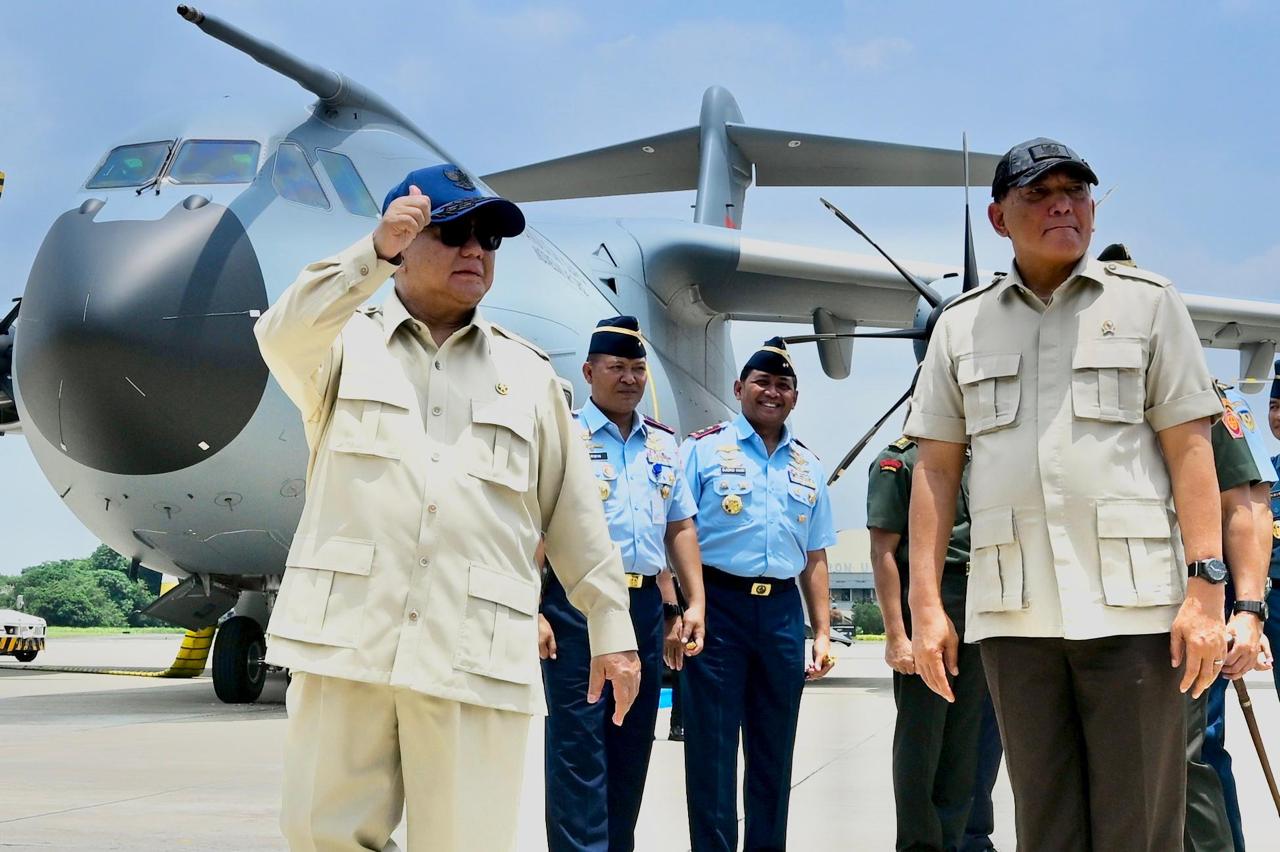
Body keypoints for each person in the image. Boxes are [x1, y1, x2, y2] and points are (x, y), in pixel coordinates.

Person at [254, 164, 640, 852]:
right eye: (455, 230)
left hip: (473, 650)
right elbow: (279, 334)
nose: (476, 249)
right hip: (350, 642)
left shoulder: (528, 377)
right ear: (403, 238)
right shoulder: (343, 344)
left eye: (489, 237)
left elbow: (575, 515)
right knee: (322, 836)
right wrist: (370, 254)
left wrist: (612, 625)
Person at [904, 138, 1229, 850]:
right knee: (1044, 828)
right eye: (1038, 193)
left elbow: (1191, 448)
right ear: (998, 218)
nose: (1062, 205)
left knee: (1139, 829)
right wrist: (925, 607)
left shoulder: (1149, 306)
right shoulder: (962, 325)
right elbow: (934, 470)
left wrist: (1208, 587)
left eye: (1076, 191)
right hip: (1017, 619)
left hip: (1136, 615)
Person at [538, 315, 706, 852]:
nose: (630, 378)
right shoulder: (565, 435)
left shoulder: (662, 444)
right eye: (617, 367)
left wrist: (689, 603)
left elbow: (678, 525)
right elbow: (536, 523)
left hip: (641, 607)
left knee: (632, 741)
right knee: (578, 746)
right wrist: (532, 607)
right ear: (589, 371)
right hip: (575, 604)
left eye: (638, 368)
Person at [678, 337, 838, 852]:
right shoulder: (702, 450)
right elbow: (676, 532)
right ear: (739, 388)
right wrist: (681, 607)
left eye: (783, 385)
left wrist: (823, 631)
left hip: (781, 614)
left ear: (795, 397)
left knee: (774, 751)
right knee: (713, 749)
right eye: (762, 382)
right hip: (718, 604)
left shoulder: (808, 467)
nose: (772, 392)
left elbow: (815, 556)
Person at [867, 436, 1002, 852]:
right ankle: (918, 845)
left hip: (977, 596)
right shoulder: (900, 461)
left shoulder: (985, 457)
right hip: (926, 597)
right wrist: (896, 635)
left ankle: (954, 840)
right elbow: (883, 552)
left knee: (965, 740)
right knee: (921, 740)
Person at [1184, 378, 1275, 852]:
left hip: (1194, 611)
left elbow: (1248, 507)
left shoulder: (1207, 394)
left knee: (1193, 758)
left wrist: (1248, 610)